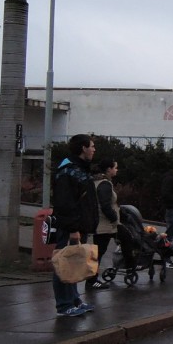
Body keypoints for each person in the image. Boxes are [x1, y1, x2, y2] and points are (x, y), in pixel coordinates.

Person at [50, 134, 99, 316]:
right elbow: (65, 203)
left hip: (80, 226)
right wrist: (73, 229)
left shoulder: (79, 169)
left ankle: (74, 300)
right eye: (92, 146)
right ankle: (64, 305)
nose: (94, 149)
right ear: (83, 148)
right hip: (71, 227)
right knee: (65, 263)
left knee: (74, 263)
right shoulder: (68, 171)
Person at [87, 158, 120, 290]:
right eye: (115, 167)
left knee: (97, 251)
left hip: (98, 221)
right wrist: (113, 218)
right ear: (108, 169)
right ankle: (92, 280)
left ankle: (92, 278)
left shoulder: (95, 181)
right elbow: (105, 204)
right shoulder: (105, 184)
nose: (116, 170)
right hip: (103, 223)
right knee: (99, 252)